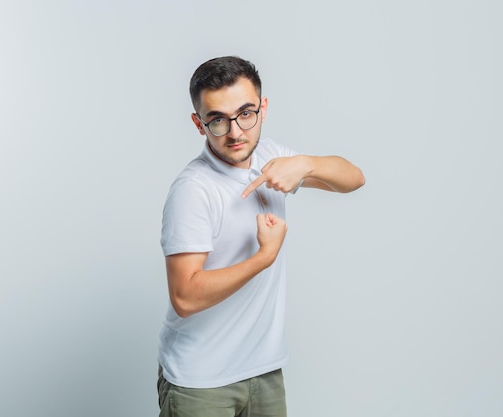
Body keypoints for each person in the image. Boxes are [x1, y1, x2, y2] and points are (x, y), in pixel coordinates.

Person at [156, 55, 365, 417]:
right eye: (217, 120)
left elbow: (354, 179)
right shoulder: (193, 190)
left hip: (264, 370)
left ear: (263, 108)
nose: (235, 132)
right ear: (198, 123)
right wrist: (262, 259)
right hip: (201, 383)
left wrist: (307, 164)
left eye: (245, 113)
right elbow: (185, 297)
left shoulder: (269, 155)